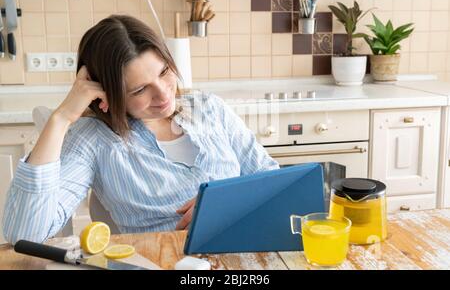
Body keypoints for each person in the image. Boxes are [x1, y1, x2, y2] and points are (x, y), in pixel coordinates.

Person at [2, 15, 279, 245]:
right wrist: (61, 118)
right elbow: (25, 235)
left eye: (163, 72)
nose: (163, 95)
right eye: (140, 89)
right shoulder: (95, 140)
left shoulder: (210, 108)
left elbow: (274, 182)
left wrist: (227, 201)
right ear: (105, 94)